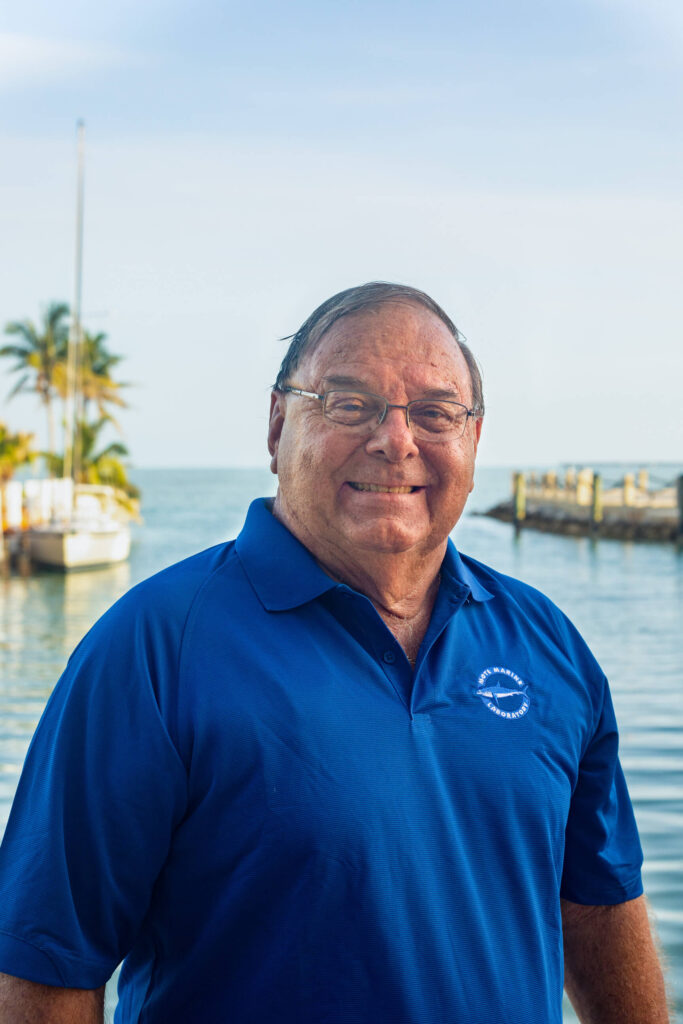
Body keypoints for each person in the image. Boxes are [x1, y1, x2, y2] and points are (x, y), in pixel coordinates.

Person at [0, 282, 670, 1023]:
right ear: (277, 424)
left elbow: (599, 908)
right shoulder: (151, 649)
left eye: (435, 413)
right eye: (348, 405)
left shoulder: (548, 647)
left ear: (473, 439)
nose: (395, 440)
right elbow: (46, 962)